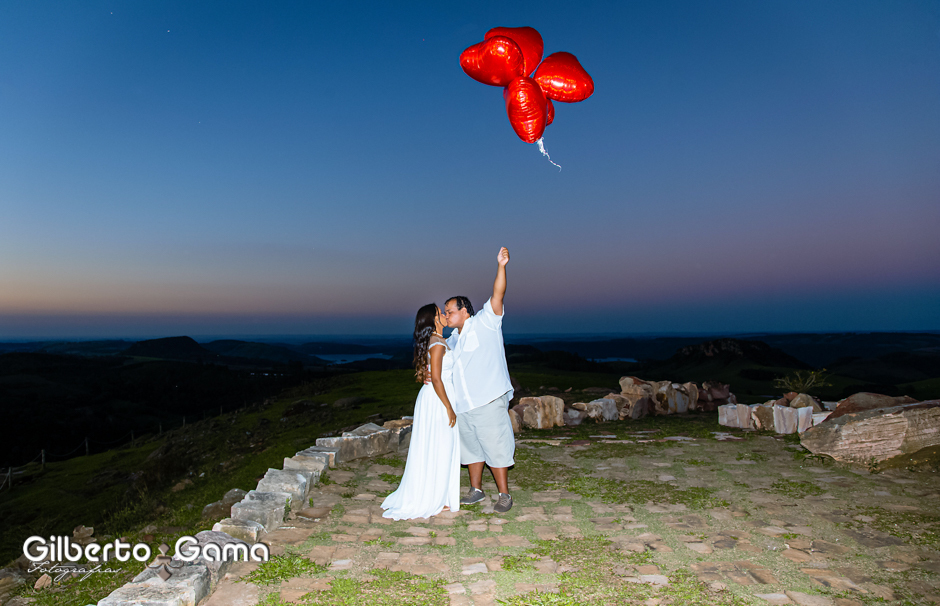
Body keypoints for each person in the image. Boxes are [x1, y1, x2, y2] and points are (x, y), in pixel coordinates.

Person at [444, 246, 515, 513]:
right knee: (471, 450)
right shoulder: (451, 340)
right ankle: (476, 490)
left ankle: (504, 494)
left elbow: (498, 293)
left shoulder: (486, 322)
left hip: (488, 400)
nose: (446, 314)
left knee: (496, 447)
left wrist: (501, 266)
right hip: (463, 406)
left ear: (464, 310)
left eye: (450, 310)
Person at [381, 304, 461, 520]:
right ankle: (434, 497)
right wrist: (449, 407)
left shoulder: (437, 340)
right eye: (440, 313)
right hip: (438, 400)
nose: (444, 314)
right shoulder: (437, 344)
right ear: (434, 320)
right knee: (441, 446)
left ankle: (439, 494)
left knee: (437, 445)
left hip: (435, 397)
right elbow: (436, 379)